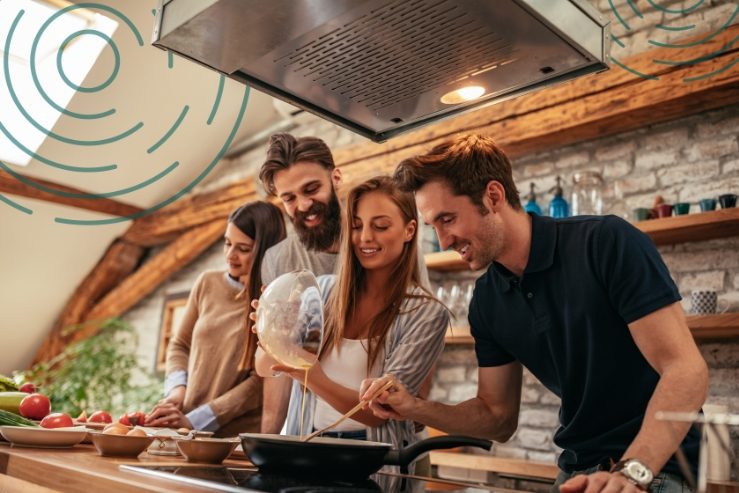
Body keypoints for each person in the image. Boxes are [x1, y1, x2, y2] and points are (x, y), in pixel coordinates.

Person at [361, 134, 708, 493]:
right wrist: (414, 407)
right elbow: (497, 418)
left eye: (447, 219)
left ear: (492, 196)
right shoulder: (487, 300)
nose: (444, 240)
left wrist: (630, 472)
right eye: (434, 225)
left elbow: (686, 370)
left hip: (656, 466)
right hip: (578, 468)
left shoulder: (605, 242)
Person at [255, 176, 448, 464]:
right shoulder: (320, 290)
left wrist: (313, 377)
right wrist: (274, 330)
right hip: (305, 452)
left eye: (380, 226)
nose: (365, 237)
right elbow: (263, 367)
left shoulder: (426, 314)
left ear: (410, 230)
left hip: (375, 463)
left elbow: (378, 412)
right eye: (356, 226)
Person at [146, 201, 286, 437]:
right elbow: (180, 345)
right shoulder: (207, 283)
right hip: (184, 427)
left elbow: (259, 382)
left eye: (243, 248)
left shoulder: (275, 302)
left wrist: (197, 420)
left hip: (232, 440)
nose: (230, 255)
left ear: (266, 250)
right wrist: (176, 392)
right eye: (227, 243)